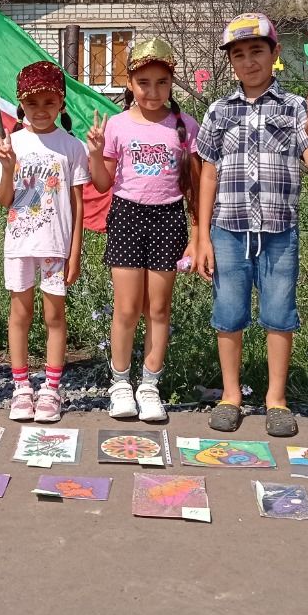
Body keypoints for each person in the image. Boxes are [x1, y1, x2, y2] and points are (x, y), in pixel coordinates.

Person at [196, 13, 308, 436]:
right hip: (228, 229)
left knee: (278, 314)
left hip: (279, 231)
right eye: (239, 54)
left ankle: (276, 399)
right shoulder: (218, 111)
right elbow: (208, 174)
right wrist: (201, 235)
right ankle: (231, 395)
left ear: (274, 54)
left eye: (257, 51)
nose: (248, 61)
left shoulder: (294, 109)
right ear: (230, 63)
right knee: (229, 312)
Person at [86, 37, 199, 423]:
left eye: (161, 82)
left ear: (172, 83)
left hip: (168, 219)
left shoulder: (185, 126)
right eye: (144, 82)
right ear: (130, 83)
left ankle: (149, 386)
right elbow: (102, 183)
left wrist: (199, 234)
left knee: (159, 308)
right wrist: (94, 151)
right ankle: (120, 385)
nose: (153, 91)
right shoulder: (117, 126)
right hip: (127, 217)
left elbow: (194, 188)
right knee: (127, 308)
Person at [0, 61, 89, 423]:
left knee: (54, 316)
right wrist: (9, 164)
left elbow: (78, 205)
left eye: (49, 102)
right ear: (21, 104)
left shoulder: (72, 147)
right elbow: (4, 201)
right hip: (19, 246)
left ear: (61, 103)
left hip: (55, 247)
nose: (41, 110)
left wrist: (75, 251)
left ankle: (51, 388)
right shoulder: (11, 144)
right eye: (33, 103)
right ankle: (21, 387)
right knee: (20, 313)